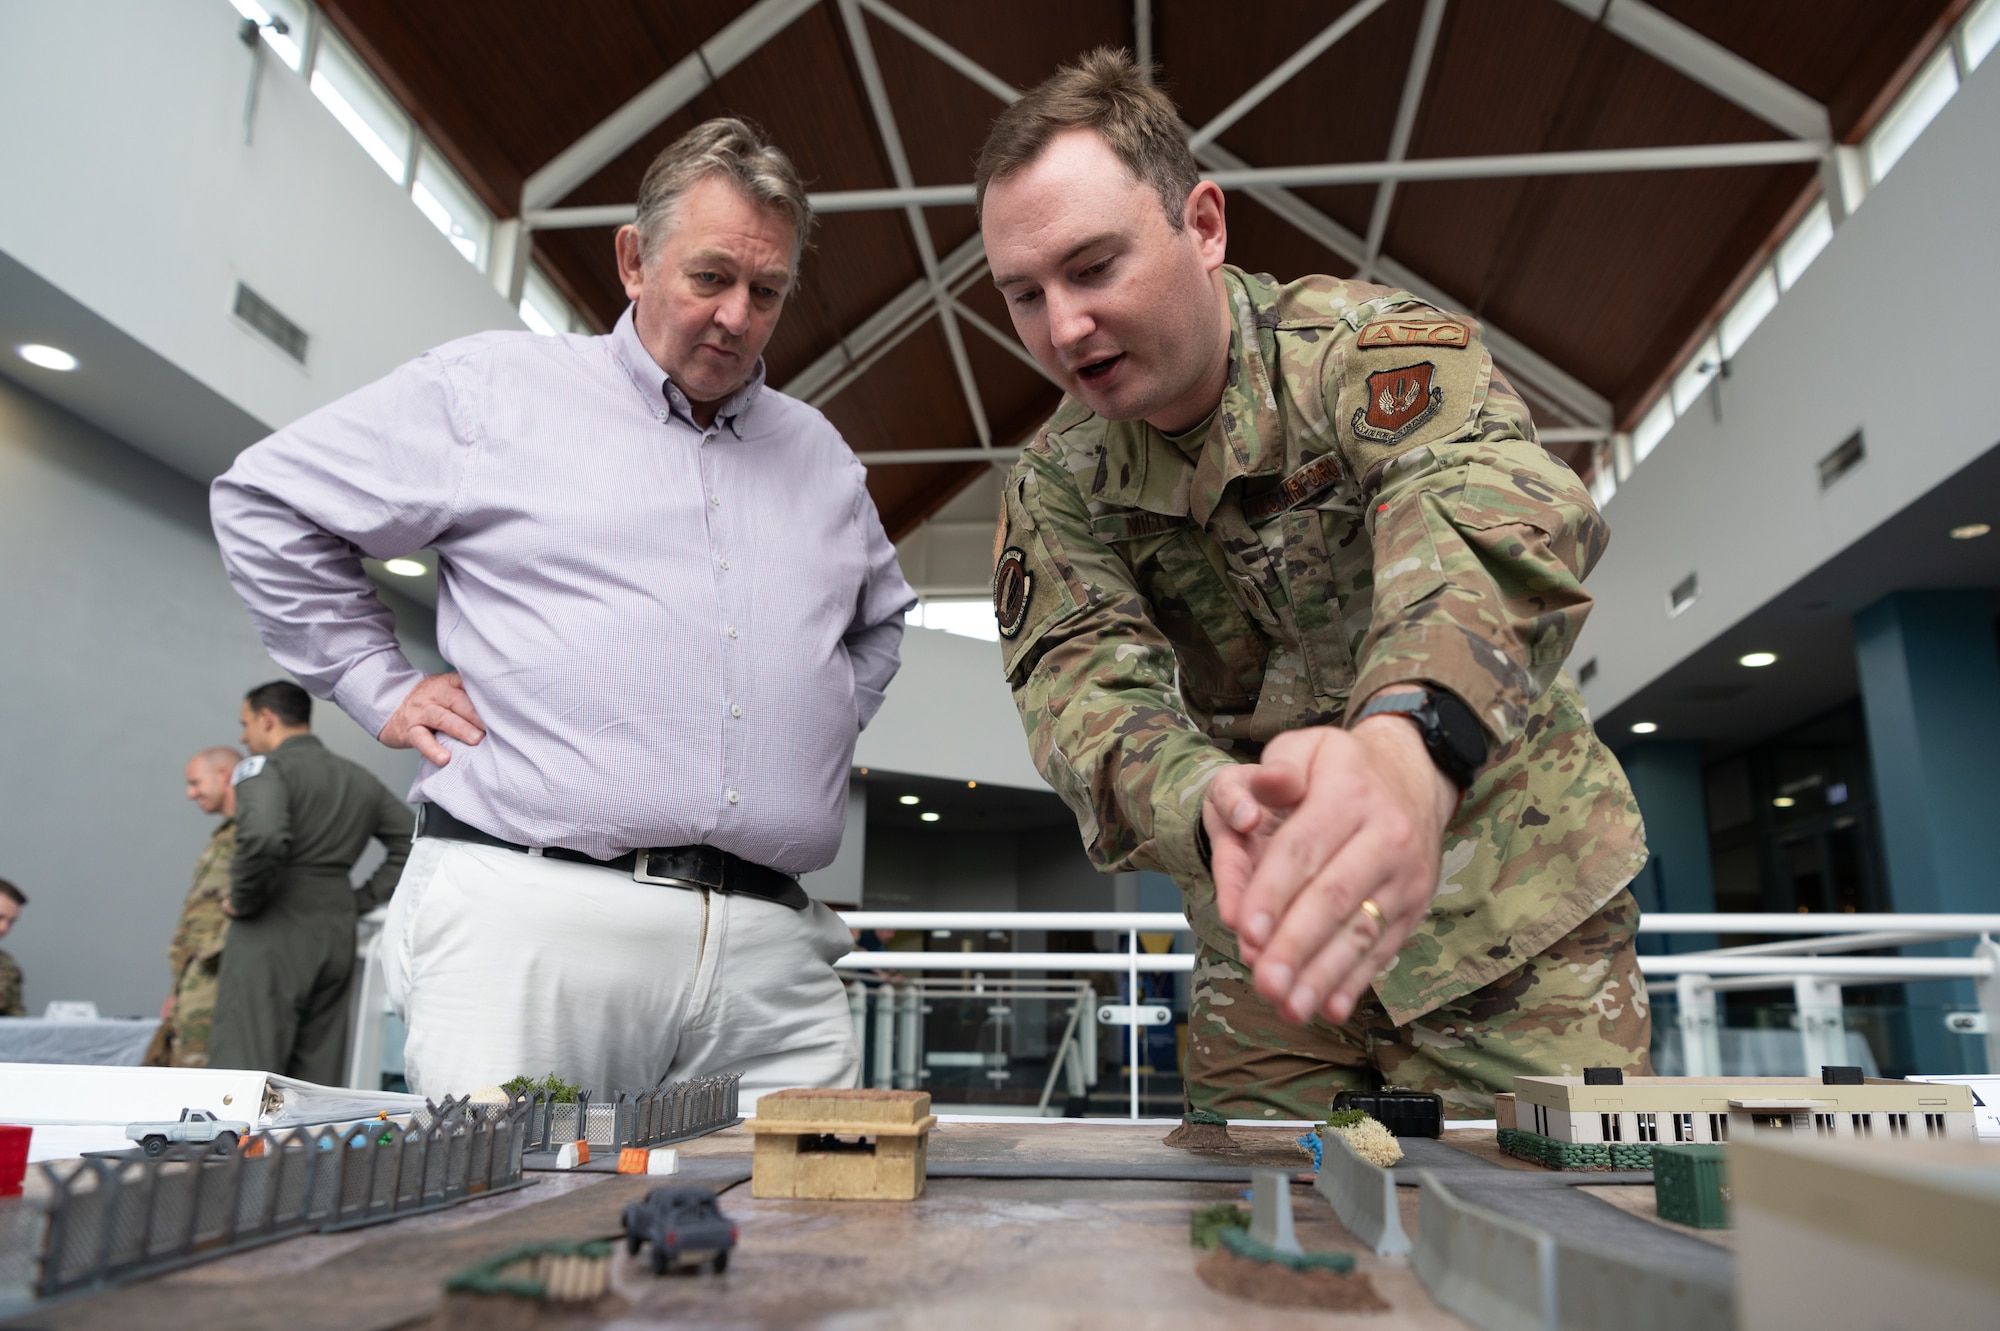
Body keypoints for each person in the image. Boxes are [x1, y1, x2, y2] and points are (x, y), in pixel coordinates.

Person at [976, 51, 1651, 1121]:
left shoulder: (1364, 354)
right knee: (1258, 1250)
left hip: (1509, 918)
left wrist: (1406, 742)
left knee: (1559, 1245)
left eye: (1092, 266)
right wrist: (1206, 802)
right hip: (1270, 945)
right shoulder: (1059, 485)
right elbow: (1083, 692)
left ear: (1200, 224)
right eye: (1024, 294)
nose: (1062, 328)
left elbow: (1476, 513)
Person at [210, 118, 914, 1098]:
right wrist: (377, 683)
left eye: (767, 291)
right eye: (710, 277)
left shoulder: (821, 457)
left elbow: (881, 618)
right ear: (634, 259)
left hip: (767, 951)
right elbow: (266, 500)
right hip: (533, 922)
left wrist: (819, 710)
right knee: (511, 1232)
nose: (737, 317)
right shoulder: (494, 390)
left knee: (819, 1228)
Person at [206, 681, 414, 1083]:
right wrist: (357, 900)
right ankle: (302, 1147)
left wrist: (246, 900)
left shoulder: (265, 770)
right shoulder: (357, 778)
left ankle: (238, 1149)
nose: (242, 736)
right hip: (334, 929)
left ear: (266, 719)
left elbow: (263, 836)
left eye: (245, 724)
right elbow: (411, 839)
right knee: (315, 1073)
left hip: (272, 925)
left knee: (244, 1072)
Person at [144, 746, 245, 1068]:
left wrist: (211, 953)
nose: (190, 794)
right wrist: (180, 990)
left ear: (223, 775)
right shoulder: (226, 834)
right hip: (195, 984)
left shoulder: (251, 831)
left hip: (220, 983)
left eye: (195, 783)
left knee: (197, 1087)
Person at [0, 879, 26, 1017]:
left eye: (11, 921)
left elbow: (16, 1019)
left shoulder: (6, 964)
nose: (4, 928)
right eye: (0, 917)